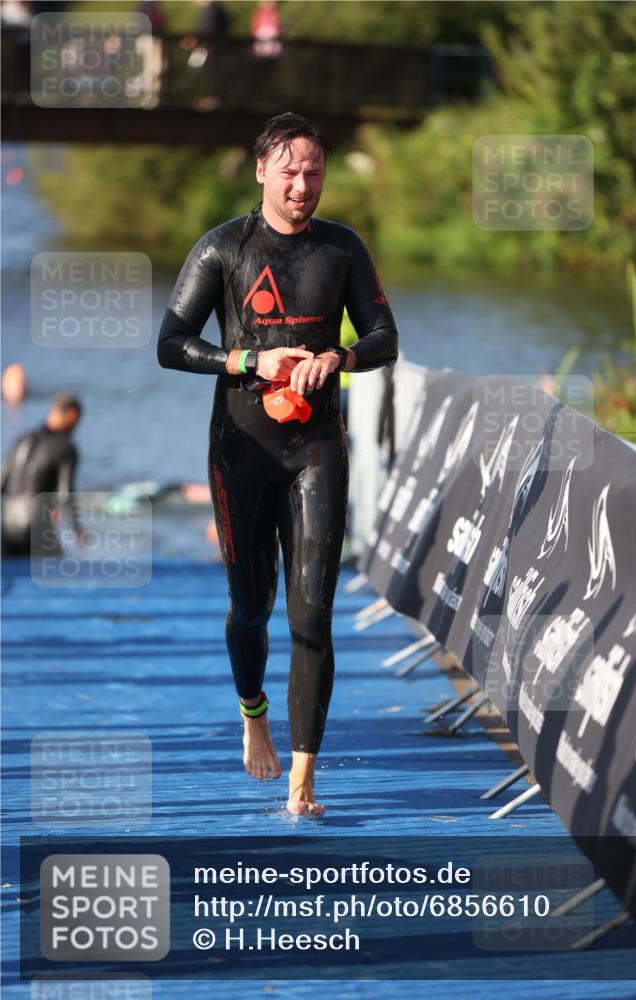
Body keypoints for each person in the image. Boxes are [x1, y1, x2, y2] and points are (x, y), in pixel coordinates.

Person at [157, 112, 397, 815]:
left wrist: (339, 357)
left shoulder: (341, 248)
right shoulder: (222, 249)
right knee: (251, 608)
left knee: (312, 614)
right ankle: (253, 714)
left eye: (313, 172)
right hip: (242, 447)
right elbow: (171, 343)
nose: (301, 185)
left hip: (316, 446)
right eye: (289, 171)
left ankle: (303, 782)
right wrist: (247, 360)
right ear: (261, 170)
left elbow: (384, 337)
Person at [1, 392, 84, 558]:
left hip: (7, 527)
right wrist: (77, 530)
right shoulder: (66, 447)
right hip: (35, 527)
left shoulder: (22, 440)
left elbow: (2, 481)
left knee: (13, 571)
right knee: (59, 569)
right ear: (72, 415)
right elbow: (65, 494)